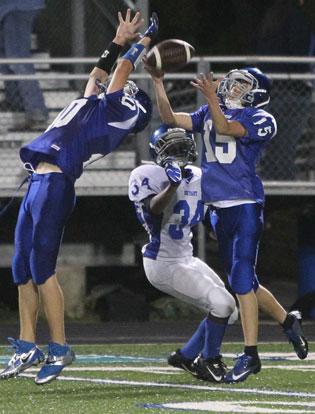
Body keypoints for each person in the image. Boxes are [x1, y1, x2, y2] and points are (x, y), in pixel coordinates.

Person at [0, 9, 158, 385]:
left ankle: (59, 347)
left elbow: (118, 74)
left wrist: (141, 44)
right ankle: (27, 345)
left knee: (42, 271)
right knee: (22, 268)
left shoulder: (120, 111)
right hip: (38, 182)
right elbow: (98, 74)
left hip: (55, 187)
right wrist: (118, 40)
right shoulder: (97, 105)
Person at [144, 63, 309, 383]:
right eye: (232, 83)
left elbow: (227, 130)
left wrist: (213, 102)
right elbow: (170, 120)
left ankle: (250, 355)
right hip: (217, 209)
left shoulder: (261, 118)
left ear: (254, 94)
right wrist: (158, 82)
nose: (233, 88)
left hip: (244, 204)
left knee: (241, 281)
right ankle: (288, 321)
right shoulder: (209, 110)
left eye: (241, 85)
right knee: (242, 280)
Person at [128, 124, 238, 383]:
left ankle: (186, 356)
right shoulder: (147, 175)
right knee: (222, 305)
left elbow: (207, 220)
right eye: (172, 147)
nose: (179, 151)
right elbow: (153, 211)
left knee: (230, 312)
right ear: (159, 153)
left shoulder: (198, 176)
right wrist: (172, 185)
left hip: (187, 258)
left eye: (182, 146)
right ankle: (208, 360)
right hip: (163, 263)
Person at [0, 0, 49, 130]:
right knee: (5, 58)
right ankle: (15, 99)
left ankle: (37, 113)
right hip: (10, 9)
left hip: (18, 7)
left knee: (18, 60)